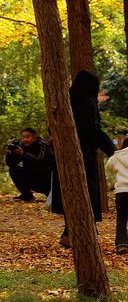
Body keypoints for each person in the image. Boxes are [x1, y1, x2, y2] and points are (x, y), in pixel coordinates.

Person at [49, 69, 115, 247]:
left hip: (64, 155)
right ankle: (78, 234)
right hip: (83, 154)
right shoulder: (87, 102)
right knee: (85, 193)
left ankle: (72, 233)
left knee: (73, 194)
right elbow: (92, 128)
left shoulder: (65, 99)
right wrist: (112, 149)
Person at [5, 128, 53, 202]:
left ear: (35, 137)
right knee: (14, 169)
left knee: (51, 196)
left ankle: (49, 194)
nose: (24, 139)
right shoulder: (22, 146)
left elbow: (40, 160)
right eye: (23, 137)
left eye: (27, 137)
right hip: (32, 176)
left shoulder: (43, 145)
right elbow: (11, 164)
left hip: (46, 178)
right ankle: (27, 196)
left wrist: (23, 154)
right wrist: (10, 153)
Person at [105, 131, 128, 254]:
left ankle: (121, 244)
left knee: (121, 219)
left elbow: (109, 166)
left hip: (122, 191)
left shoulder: (118, 156)